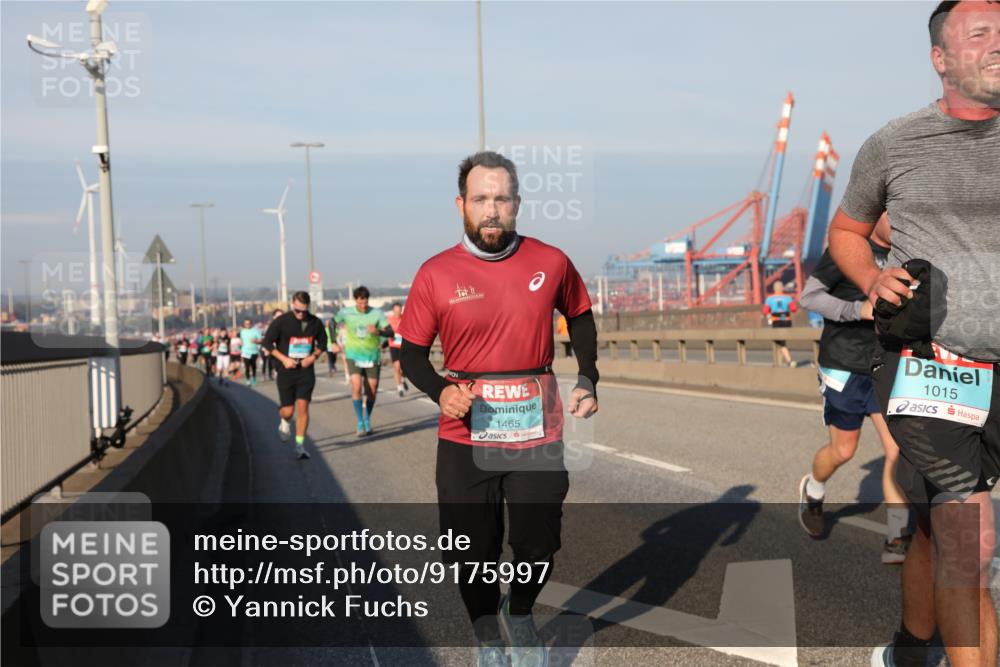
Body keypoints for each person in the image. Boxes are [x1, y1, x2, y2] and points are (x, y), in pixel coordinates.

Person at [826, 3, 999, 664]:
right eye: (980, 34)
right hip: (932, 365)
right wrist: (871, 279)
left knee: (934, 526)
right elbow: (846, 229)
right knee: (969, 535)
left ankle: (908, 646)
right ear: (941, 57)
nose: (998, 45)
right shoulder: (896, 143)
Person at [399, 151, 599, 667]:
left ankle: (521, 610)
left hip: (536, 430)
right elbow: (412, 353)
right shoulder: (435, 273)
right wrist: (440, 390)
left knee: (538, 546)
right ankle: (487, 636)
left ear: (517, 204)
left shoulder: (550, 261)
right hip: (466, 432)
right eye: (481, 199)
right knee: (471, 555)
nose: (492, 210)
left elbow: (579, 314)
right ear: (461, 204)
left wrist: (588, 376)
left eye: (502, 199)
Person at [796, 215, 911, 563]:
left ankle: (897, 537)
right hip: (843, 364)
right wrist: (856, 309)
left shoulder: (905, 254)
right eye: (893, 211)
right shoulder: (848, 250)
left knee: (897, 453)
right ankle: (813, 490)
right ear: (876, 215)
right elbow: (809, 297)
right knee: (843, 450)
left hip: (884, 365)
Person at [262, 292, 326, 459]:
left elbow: (323, 343)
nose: (300, 314)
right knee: (288, 411)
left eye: (304, 311)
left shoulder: (315, 322)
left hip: (305, 371)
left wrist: (313, 357)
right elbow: (267, 343)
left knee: (303, 407)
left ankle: (300, 446)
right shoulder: (281, 322)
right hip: (286, 370)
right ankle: (284, 420)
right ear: (292, 305)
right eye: (297, 310)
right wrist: (284, 359)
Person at [335, 286, 393, 436]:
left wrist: (378, 331)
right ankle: (360, 422)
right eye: (360, 302)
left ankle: (367, 418)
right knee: (356, 387)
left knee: (372, 389)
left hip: (372, 356)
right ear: (356, 301)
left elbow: (390, 332)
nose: (363, 305)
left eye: (365, 302)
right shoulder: (346, 313)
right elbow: (332, 323)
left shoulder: (377, 313)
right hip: (353, 355)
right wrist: (333, 341)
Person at [763, 281, 796, 366]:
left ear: (774, 289)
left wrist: (770, 314)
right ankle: (778, 363)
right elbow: (794, 309)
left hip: (776, 321)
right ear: (782, 288)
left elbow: (765, 311)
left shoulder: (769, 299)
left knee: (780, 343)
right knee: (781, 342)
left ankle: (789, 361)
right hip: (787, 321)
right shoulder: (788, 298)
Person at [386, 302, 408, 397]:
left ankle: (403, 379)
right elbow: (385, 332)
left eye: (399, 311)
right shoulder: (389, 320)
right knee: (397, 367)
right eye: (396, 311)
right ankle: (400, 388)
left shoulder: (405, 318)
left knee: (405, 368)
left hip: (404, 346)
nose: (398, 313)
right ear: (393, 311)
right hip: (394, 346)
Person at [239, 319, 261, 386]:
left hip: (254, 351)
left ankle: (254, 377)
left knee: (253, 366)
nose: (247, 325)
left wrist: (255, 340)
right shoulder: (242, 332)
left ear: (251, 324)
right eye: (246, 324)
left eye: (248, 323)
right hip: (245, 352)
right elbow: (241, 340)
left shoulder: (256, 331)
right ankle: (248, 380)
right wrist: (241, 344)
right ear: (244, 324)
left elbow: (260, 340)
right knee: (247, 366)